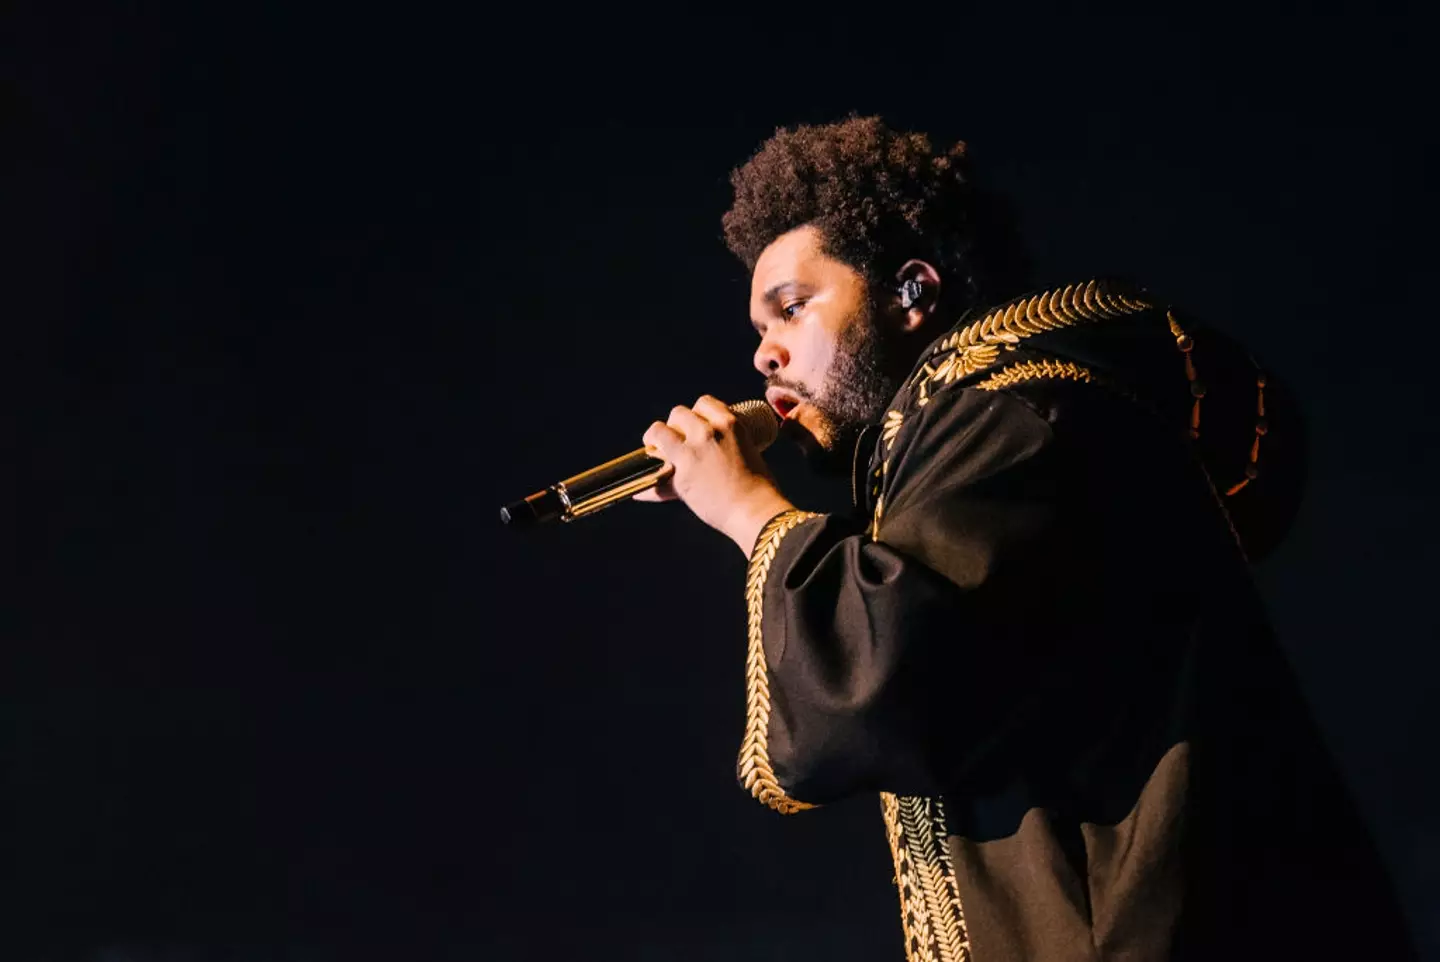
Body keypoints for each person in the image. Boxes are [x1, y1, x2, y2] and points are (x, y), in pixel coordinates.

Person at [634, 116, 1415, 962]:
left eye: (791, 309)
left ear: (912, 293)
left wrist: (747, 508)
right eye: (759, 331)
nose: (765, 356)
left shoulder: (1012, 411)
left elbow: (887, 676)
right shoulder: (990, 421)